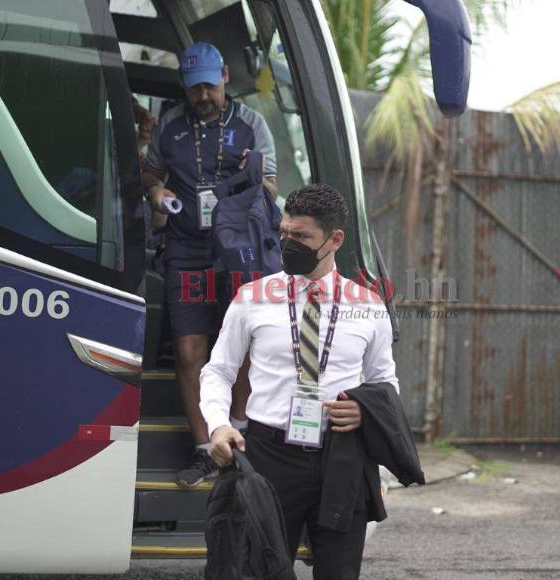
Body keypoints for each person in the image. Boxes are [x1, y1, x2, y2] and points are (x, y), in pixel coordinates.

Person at [200, 184, 400, 579]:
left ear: (334, 240)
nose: (288, 244)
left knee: (339, 573)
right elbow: (218, 371)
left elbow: (385, 382)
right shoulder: (252, 298)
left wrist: (366, 411)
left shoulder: (369, 306)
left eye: (302, 237)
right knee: (258, 570)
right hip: (268, 456)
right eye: (285, 233)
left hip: (342, 457)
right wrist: (219, 425)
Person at [141, 42, 278, 488]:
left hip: (238, 250)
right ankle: (204, 451)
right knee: (188, 351)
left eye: (209, 86)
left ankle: (237, 438)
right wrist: (156, 192)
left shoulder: (251, 124)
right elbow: (150, 173)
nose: (203, 96)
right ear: (184, 86)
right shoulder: (170, 125)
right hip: (187, 250)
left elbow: (271, 188)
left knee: (244, 347)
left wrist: (250, 174)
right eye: (194, 88)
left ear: (224, 78)